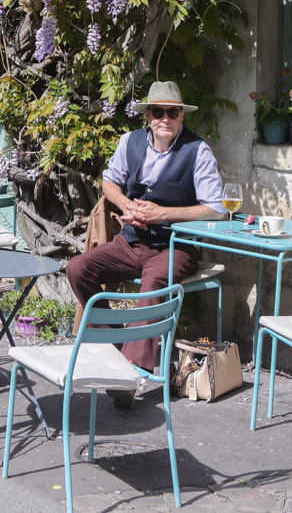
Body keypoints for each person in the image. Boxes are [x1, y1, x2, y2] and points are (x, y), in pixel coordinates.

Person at [66, 80, 226, 407]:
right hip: (131, 241)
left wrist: (162, 213)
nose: (164, 118)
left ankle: (130, 374)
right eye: (157, 111)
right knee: (78, 267)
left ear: (182, 116)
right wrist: (126, 205)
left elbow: (217, 209)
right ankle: (115, 348)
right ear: (148, 115)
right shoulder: (130, 141)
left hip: (175, 245)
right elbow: (109, 181)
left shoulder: (198, 151)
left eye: (172, 112)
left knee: (153, 283)